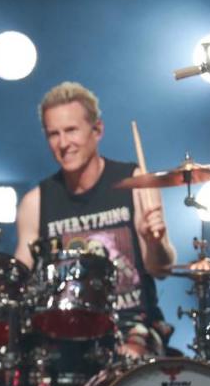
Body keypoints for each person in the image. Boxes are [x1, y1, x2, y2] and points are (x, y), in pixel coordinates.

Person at [15, 81, 177, 357]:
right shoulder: (35, 202)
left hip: (134, 329)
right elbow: (19, 280)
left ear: (97, 130)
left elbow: (161, 269)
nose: (63, 143)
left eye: (71, 130)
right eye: (54, 134)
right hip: (67, 335)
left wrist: (155, 241)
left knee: (133, 353)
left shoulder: (135, 182)